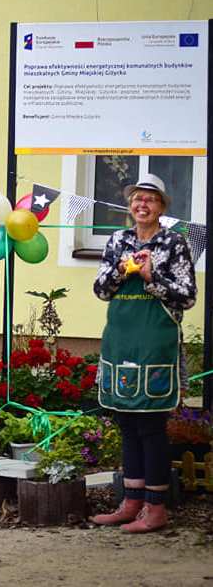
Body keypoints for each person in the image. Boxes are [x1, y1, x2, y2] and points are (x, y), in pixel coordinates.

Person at [92, 173, 196, 533]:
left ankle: (156, 508)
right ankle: (131, 502)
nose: (142, 204)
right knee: (126, 423)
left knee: (151, 426)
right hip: (120, 339)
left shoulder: (174, 242)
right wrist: (121, 271)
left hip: (156, 342)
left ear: (161, 207)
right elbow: (100, 290)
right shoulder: (117, 240)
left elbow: (187, 296)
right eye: (137, 198)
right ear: (130, 205)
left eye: (150, 199)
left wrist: (152, 277)